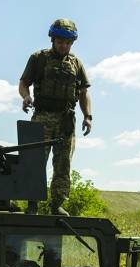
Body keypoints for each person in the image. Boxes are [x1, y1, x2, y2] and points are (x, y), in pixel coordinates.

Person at [18, 18, 92, 216]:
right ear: (52, 40)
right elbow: (24, 82)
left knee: (63, 164)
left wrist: (88, 116)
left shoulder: (76, 63)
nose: (64, 46)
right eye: (60, 42)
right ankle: (32, 204)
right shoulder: (38, 58)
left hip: (66, 120)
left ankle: (57, 204)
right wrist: (26, 97)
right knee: (35, 161)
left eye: (68, 43)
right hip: (42, 117)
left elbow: (84, 92)